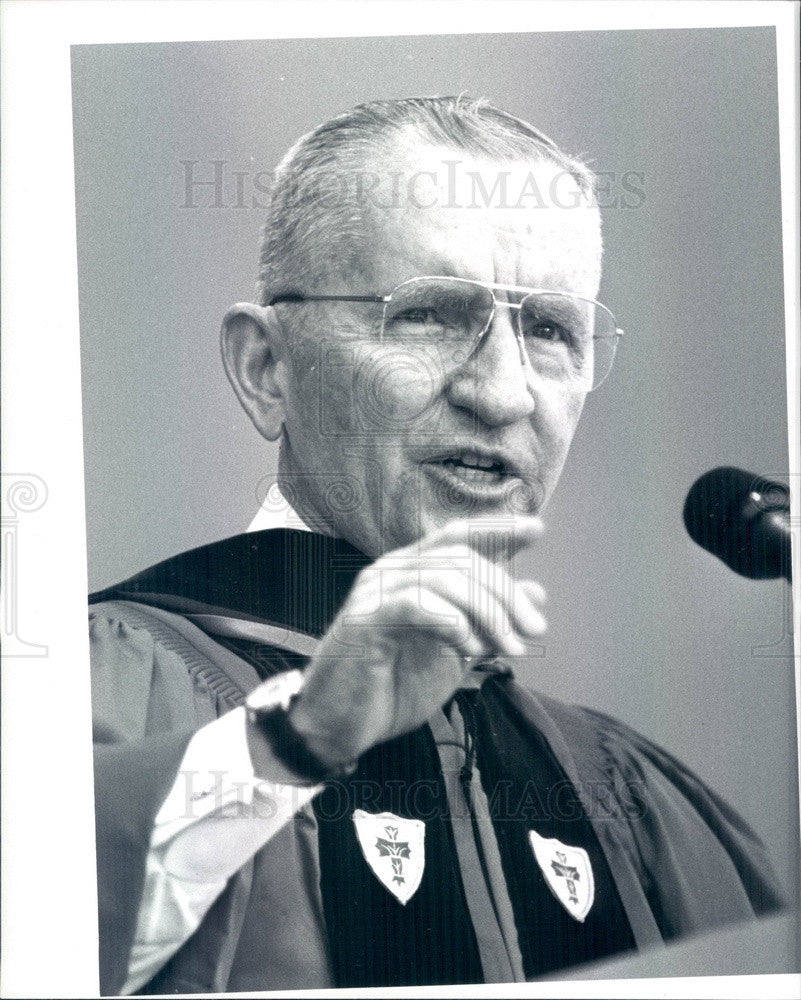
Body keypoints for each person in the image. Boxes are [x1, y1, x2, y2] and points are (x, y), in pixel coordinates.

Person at [88, 96, 784, 995]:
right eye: (427, 315)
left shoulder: (631, 794)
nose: (503, 394)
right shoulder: (99, 694)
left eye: (550, 330)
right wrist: (290, 746)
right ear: (268, 369)